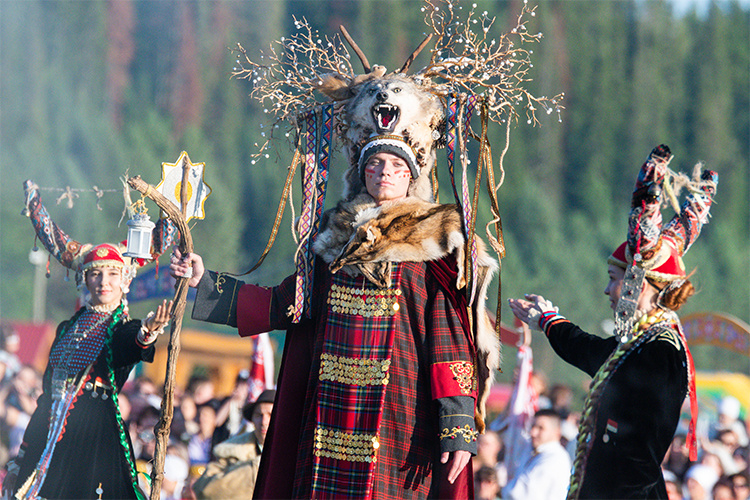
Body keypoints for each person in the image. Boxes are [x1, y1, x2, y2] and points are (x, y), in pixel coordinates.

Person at [171, 132, 501, 498]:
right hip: (329, 409)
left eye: (396, 165)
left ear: (412, 175)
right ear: (362, 174)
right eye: (375, 164)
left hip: (398, 416)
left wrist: (457, 427)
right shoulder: (335, 241)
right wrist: (204, 282)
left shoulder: (433, 245)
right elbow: (284, 303)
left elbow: (449, 345)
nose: (384, 172)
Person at [508, 145, 718, 499]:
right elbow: (594, 353)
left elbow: (639, 458)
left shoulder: (660, 351)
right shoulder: (644, 343)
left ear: (638, 282)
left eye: (613, 279)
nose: (607, 290)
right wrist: (548, 321)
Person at [3, 243, 172, 500]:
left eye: (113, 274)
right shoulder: (66, 328)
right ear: (85, 279)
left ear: (125, 281)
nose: (104, 281)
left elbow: (131, 344)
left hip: (95, 441)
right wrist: (24, 454)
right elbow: (48, 396)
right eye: (96, 273)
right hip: (50, 435)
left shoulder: (122, 327)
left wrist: (148, 332)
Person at [193, 389, 275, 500]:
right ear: (252, 420)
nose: (264, 421)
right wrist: (251, 469)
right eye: (259, 415)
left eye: (270, 415)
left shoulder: (295, 452)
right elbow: (204, 489)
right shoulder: (230, 451)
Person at [501, 409, 572, 500]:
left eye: (541, 428)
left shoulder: (556, 458)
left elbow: (522, 495)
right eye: (532, 426)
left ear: (556, 432)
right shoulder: (533, 451)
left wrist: (500, 489)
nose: (533, 433)